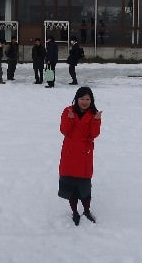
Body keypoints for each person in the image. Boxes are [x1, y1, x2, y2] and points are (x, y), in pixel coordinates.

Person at [57, 86, 102, 226]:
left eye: (87, 99)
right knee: (71, 186)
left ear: (91, 100)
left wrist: (96, 121)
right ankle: (75, 212)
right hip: (70, 154)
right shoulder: (68, 111)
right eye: (82, 98)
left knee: (84, 187)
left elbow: (94, 134)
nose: (84, 101)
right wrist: (70, 119)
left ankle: (86, 211)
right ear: (77, 99)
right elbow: (64, 131)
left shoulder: (94, 113)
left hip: (84, 154)